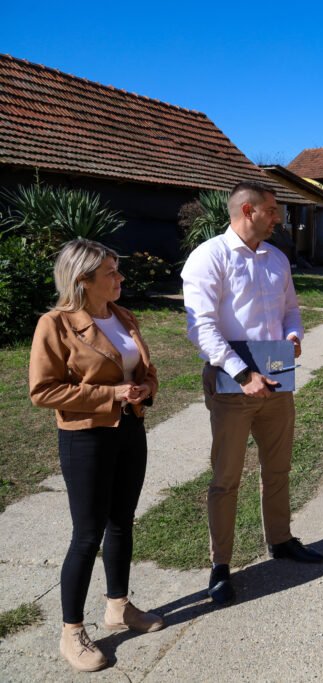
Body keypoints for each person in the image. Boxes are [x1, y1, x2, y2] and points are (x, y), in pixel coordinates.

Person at [182, 180, 323, 606]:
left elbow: (291, 309)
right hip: (232, 382)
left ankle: (280, 540)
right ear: (248, 210)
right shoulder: (209, 257)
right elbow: (201, 327)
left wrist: (293, 334)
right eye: (272, 210)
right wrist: (243, 374)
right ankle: (220, 565)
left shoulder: (277, 257)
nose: (278, 217)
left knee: (278, 467)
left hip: (276, 375)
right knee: (226, 479)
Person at [29, 239, 163, 672]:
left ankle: (118, 606)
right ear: (83, 280)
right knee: (87, 534)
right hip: (86, 437)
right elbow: (43, 390)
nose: (120, 277)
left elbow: (145, 370)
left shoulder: (123, 316)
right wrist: (112, 394)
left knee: (122, 521)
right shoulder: (55, 324)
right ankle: (71, 631)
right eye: (111, 272)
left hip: (130, 430)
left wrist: (145, 388)